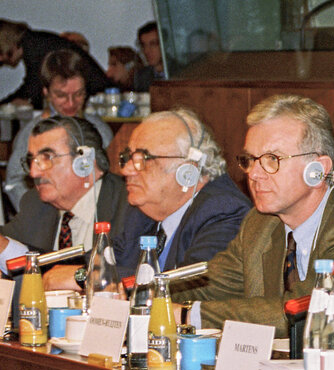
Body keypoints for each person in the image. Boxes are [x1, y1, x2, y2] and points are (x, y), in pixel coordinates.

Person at [173, 94, 334, 336]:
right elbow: (209, 286)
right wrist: (146, 295)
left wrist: (189, 315)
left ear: (318, 170)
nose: (254, 174)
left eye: (272, 159)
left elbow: (309, 308)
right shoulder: (259, 224)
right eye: (250, 160)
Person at [43, 108, 251, 288]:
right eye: (128, 158)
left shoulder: (223, 212)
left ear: (187, 170)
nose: (126, 170)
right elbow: (103, 260)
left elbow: (190, 286)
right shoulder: (142, 213)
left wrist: (84, 276)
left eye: (143, 159)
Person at [0, 116, 129, 275]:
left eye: (47, 158)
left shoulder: (128, 204)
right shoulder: (35, 203)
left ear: (84, 162)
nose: (34, 172)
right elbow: (8, 248)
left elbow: (129, 273)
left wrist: (77, 275)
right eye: (31, 161)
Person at [4, 49, 113, 211]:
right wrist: (36, 216)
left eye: (79, 94)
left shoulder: (100, 131)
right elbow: (14, 182)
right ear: (46, 92)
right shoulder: (31, 134)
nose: (71, 103)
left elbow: (112, 182)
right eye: (61, 95)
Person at [0, 19, 109, 109]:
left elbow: (33, 89)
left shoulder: (34, 47)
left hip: (96, 98)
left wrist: (6, 104)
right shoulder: (34, 41)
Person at [134, 22, 176, 92]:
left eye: (153, 44)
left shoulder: (180, 70)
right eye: (143, 45)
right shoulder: (141, 76)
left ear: (164, 45)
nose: (147, 51)